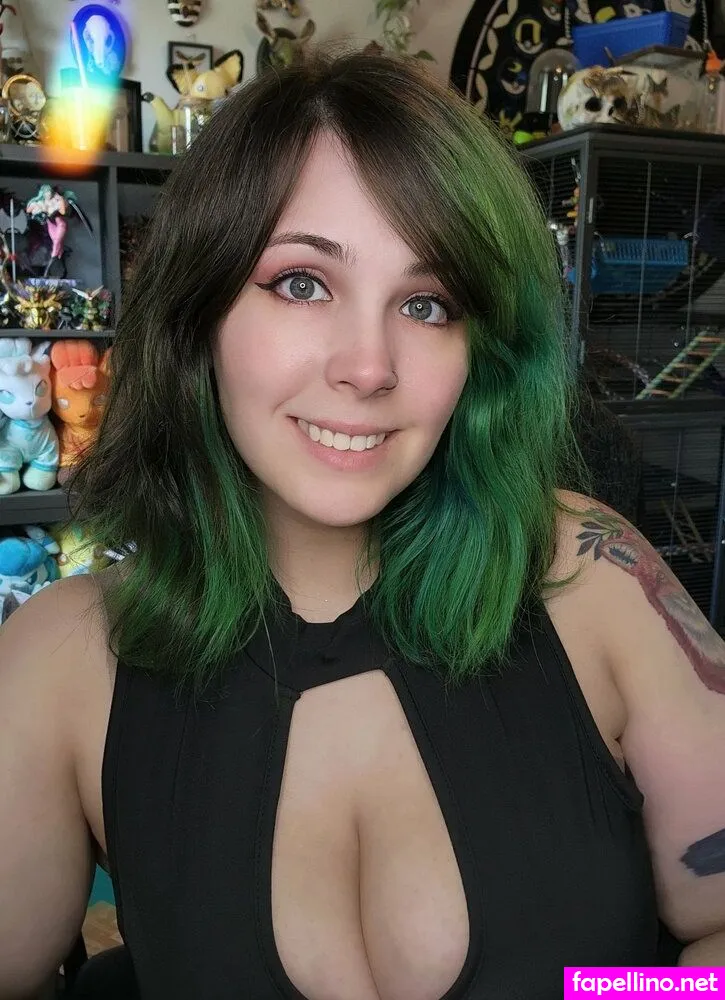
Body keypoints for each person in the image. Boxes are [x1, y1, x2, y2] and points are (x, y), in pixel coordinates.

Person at [1, 49, 724, 1000]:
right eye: (302, 283)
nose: (369, 367)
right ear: (197, 312)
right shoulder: (61, 660)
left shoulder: (593, 575)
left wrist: (613, 992)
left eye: (427, 304)